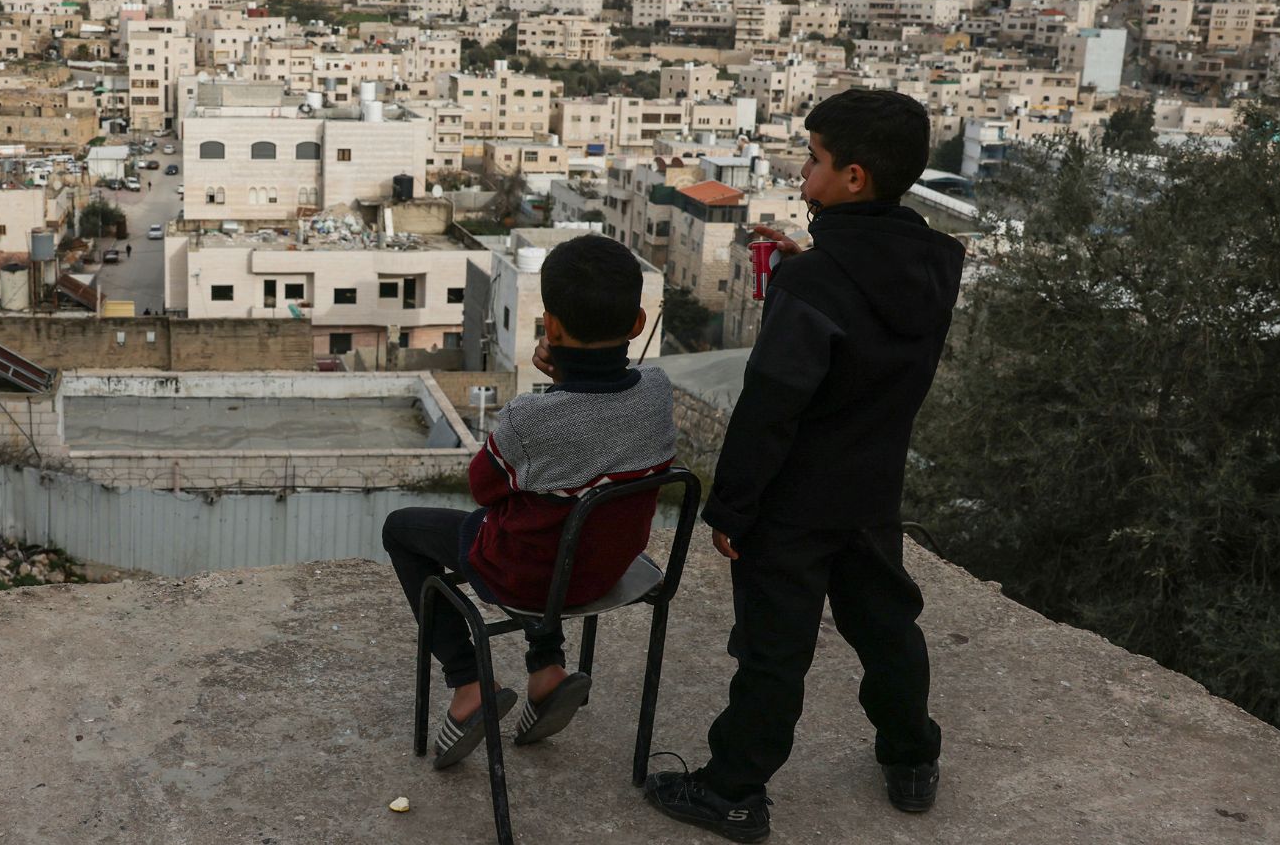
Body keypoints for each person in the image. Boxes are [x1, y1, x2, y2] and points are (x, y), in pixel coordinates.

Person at [643, 89, 964, 842]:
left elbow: (771, 405)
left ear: (853, 177)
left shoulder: (817, 285)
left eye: (813, 159)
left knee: (773, 652)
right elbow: (868, 330)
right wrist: (805, 269)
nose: (801, 171)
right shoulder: (933, 261)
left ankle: (731, 790)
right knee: (887, 628)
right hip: (871, 489)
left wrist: (733, 508)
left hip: (794, 502)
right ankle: (912, 757)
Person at [382, 234, 677, 769]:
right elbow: (598, 417)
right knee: (553, 524)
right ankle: (546, 673)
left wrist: (558, 387)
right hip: (611, 568)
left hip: (530, 579)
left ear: (551, 326)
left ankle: (469, 680)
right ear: (637, 323)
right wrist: (569, 376)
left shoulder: (529, 419)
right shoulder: (657, 393)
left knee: (403, 529)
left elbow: (483, 488)